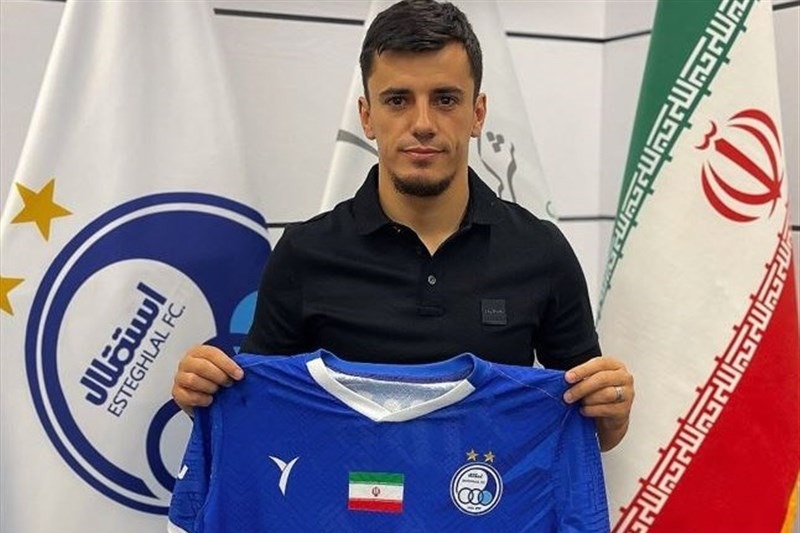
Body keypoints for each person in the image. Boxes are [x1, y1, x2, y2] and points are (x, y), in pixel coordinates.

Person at [172, 0, 634, 451]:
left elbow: (591, 429)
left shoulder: (541, 251)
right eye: (398, 100)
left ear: (477, 114)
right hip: (342, 502)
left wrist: (612, 411)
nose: (423, 123)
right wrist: (207, 396)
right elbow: (257, 415)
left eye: (445, 99)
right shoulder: (304, 253)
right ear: (367, 116)